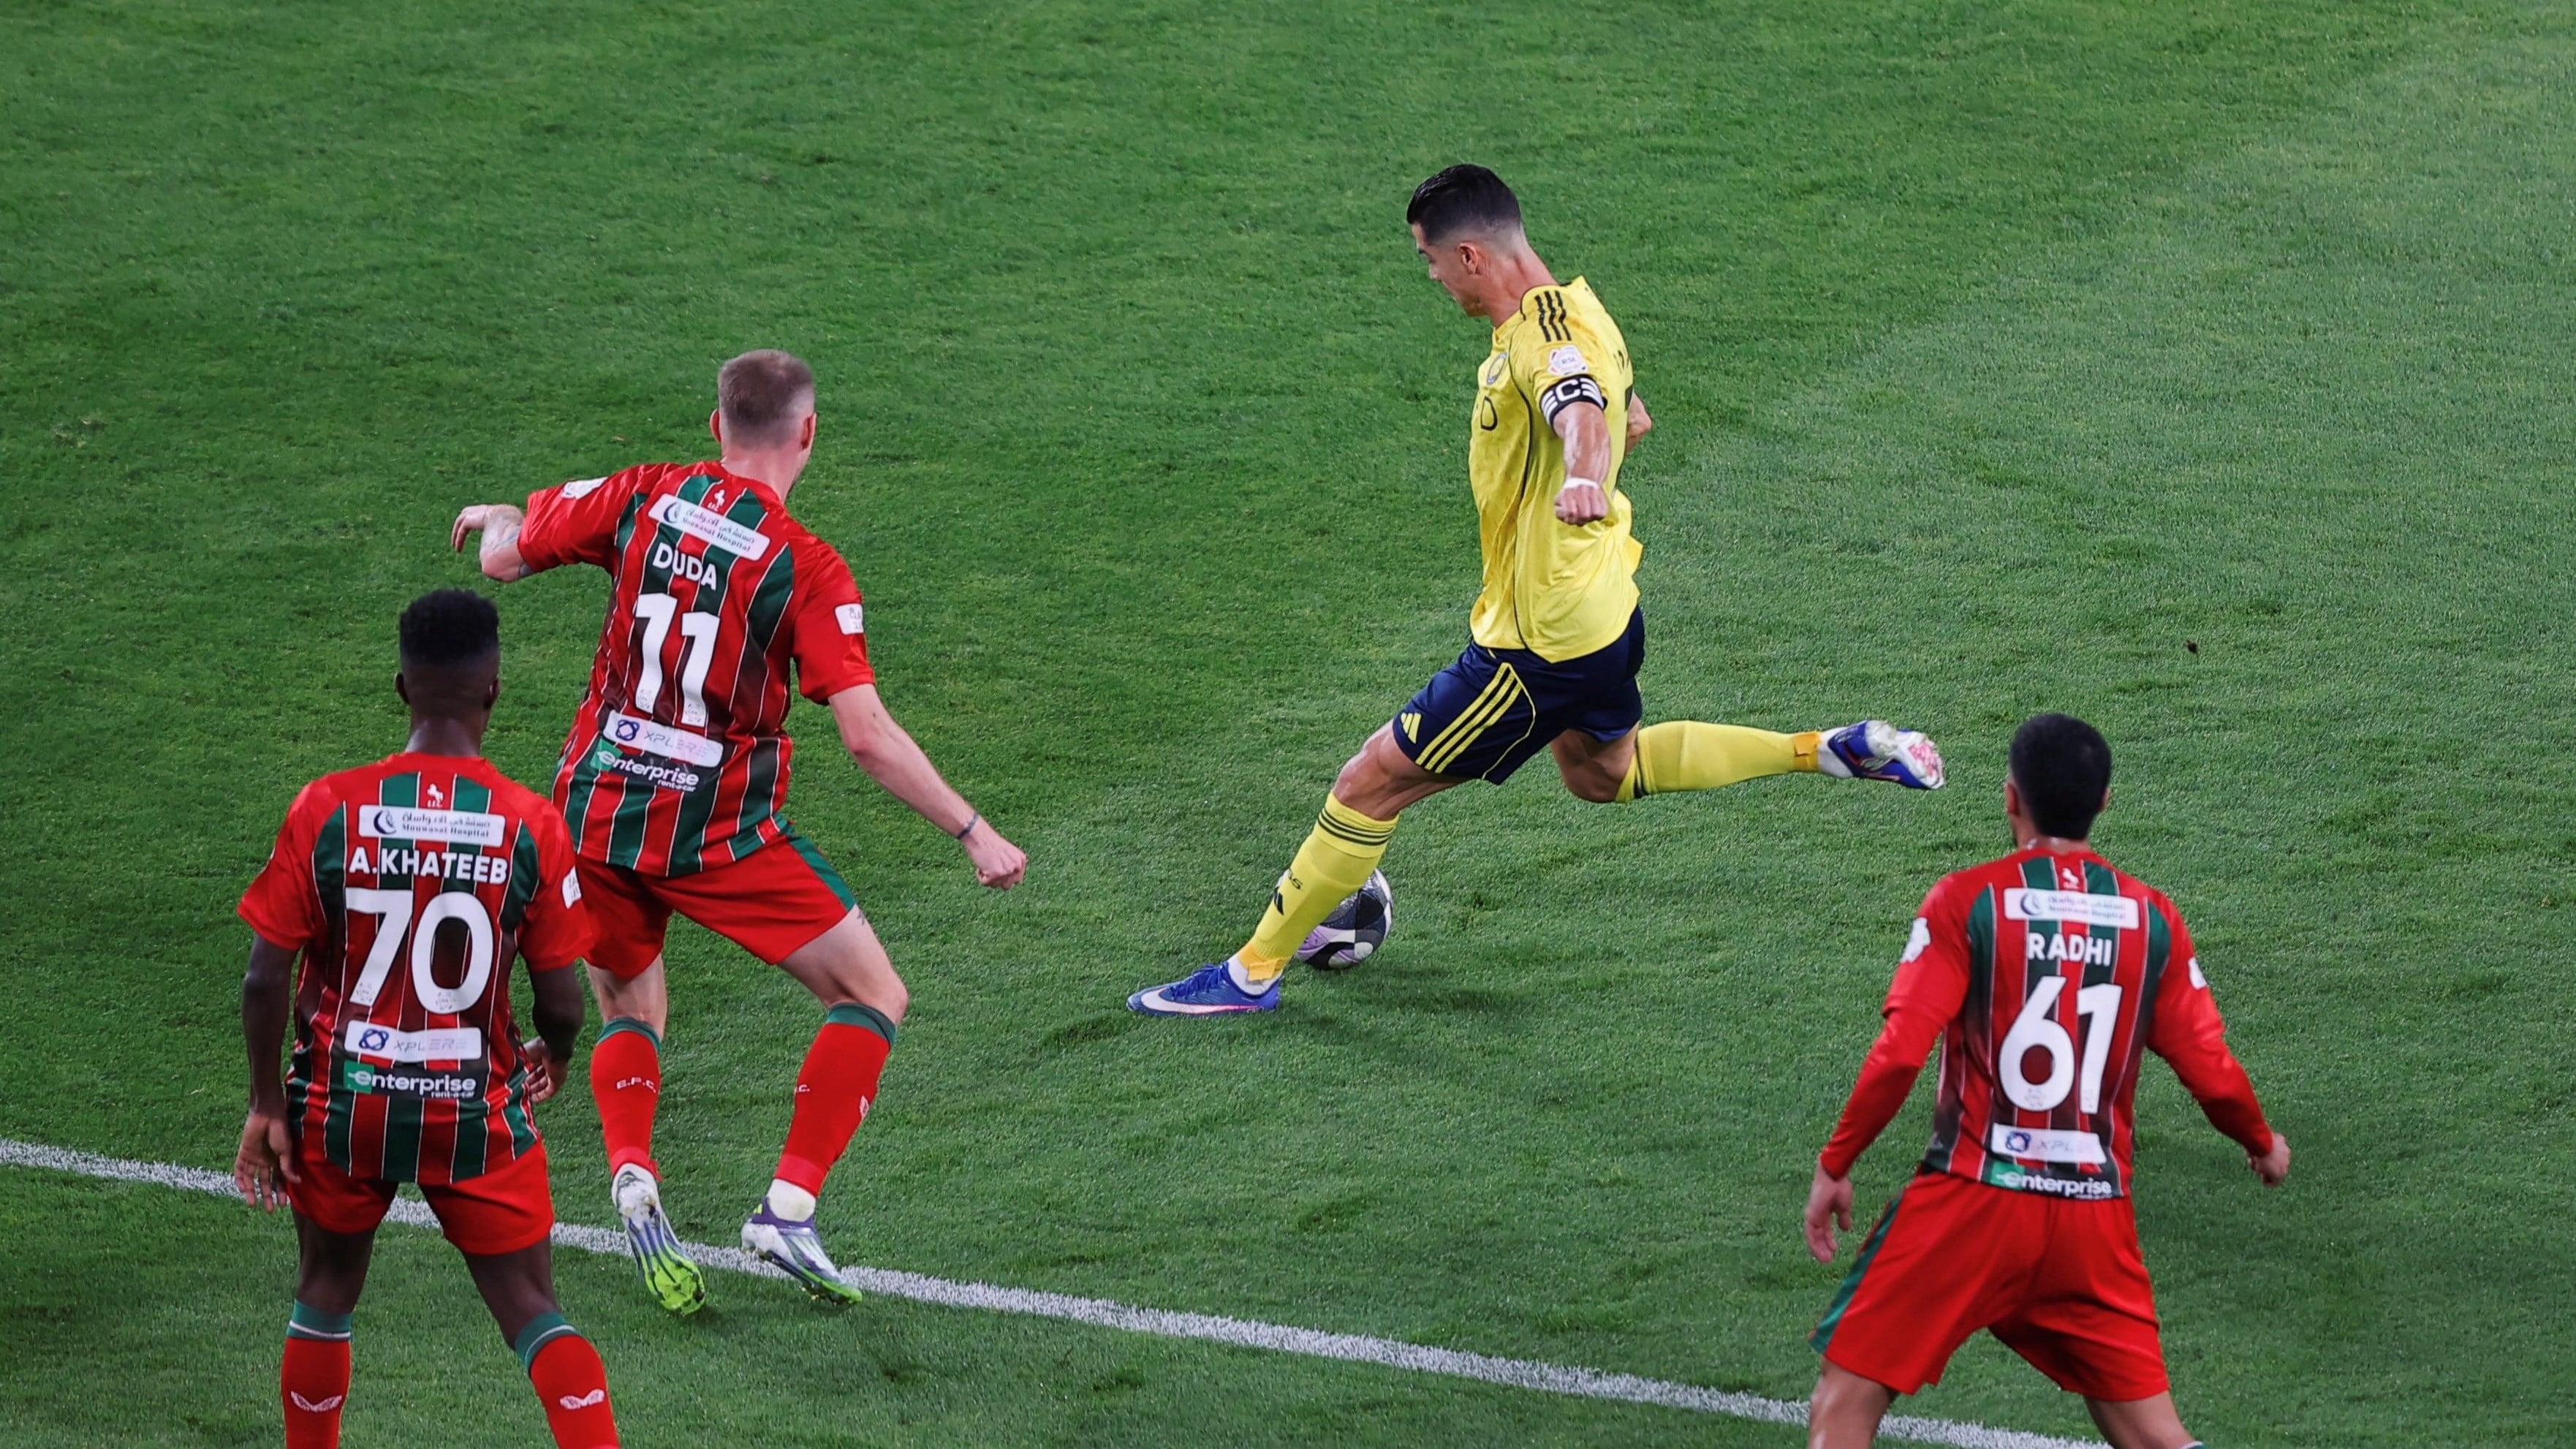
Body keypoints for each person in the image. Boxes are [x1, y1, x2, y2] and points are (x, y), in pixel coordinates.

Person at [1129, 164, 1945, 1016]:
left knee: (1368, 782)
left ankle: (1250, 972)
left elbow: (1581, 408)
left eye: (1429, 260)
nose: (1432, 276)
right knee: (1602, 773)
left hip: (1533, 646)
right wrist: (1613, 426)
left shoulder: (1542, 339)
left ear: (1472, 255)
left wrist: (1586, 472)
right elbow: (1615, 400)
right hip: (1603, 614)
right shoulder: (1578, 308)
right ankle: (1825, 747)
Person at [450, 349, 1026, 1313]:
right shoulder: (806, 567)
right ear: (807, 433)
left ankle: (634, 1172)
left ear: (714, 426)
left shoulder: (644, 493)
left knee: (632, 1008)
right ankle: (788, 1205)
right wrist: (972, 829)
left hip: (595, 809)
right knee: (871, 990)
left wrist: (502, 521)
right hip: (717, 833)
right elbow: (866, 735)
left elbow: (504, 557)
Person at [1801, 714, 2292, 1449]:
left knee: (1844, 1407)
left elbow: (1900, 1053)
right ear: (2103, 804)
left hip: (1969, 1201)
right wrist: (2261, 1141)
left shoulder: (1967, 900)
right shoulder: (2150, 917)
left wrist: (1836, 1161)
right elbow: (2209, 1069)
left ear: (2008, 798)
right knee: (2154, 1434)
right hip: (2091, 1216)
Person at [233, 589, 618, 1449]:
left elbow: (265, 975)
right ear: (493, 690)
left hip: (343, 1099)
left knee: (326, 1288)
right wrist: (549, 1051)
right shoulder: (529, 824)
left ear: (401, 686)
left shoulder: (328, 805)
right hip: (470, 1111)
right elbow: (562, 997)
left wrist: (266, 1105)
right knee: (533, 1310)